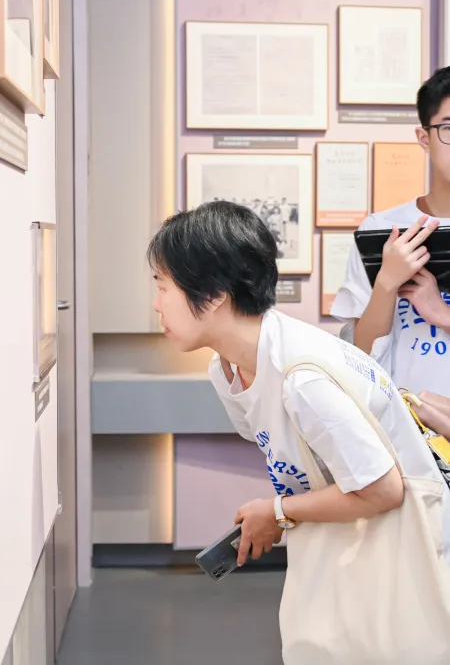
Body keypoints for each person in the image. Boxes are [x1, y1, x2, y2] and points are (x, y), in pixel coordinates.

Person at [147, 200, 450, 660]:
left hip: (392, 550)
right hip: (342, 553)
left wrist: (277, 512)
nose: (156, 304)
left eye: (163, 286)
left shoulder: (304, 379)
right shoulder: (229, 367)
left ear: (214, 293)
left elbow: (384, 490)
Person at [332, 66, 450, 405]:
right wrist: (386, 283)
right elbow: (361, 355)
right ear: (424, 138)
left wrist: (442, 314)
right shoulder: (380, 230)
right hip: (405, 424)